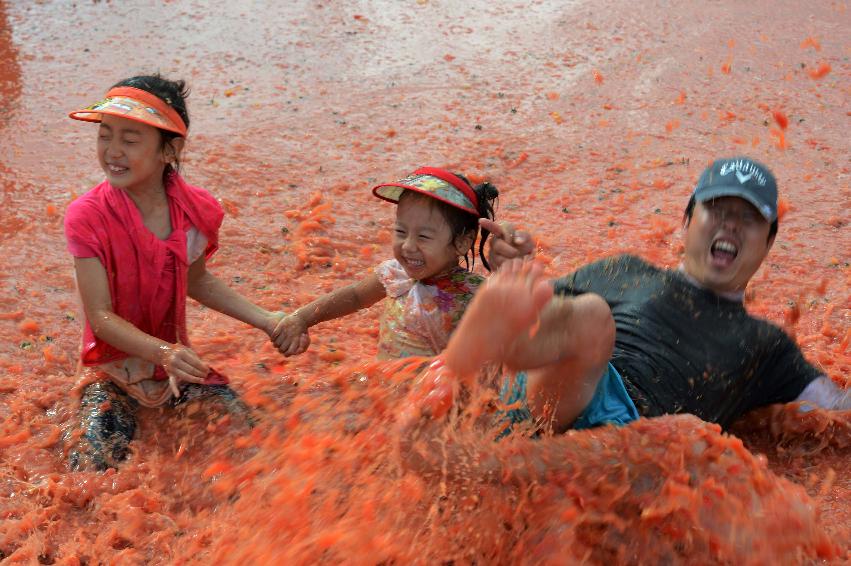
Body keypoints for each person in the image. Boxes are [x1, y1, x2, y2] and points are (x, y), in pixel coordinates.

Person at [469, 156, 849, 433]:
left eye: (748, 218)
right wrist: (512, 271)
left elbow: (838, 409)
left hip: (625, 428)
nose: (731, 224)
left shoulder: (767, 347)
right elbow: (544, 316)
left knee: (588, 320)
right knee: (579, 316)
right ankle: (465, 367)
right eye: (716, 209)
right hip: (547, 384)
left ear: (768, 244)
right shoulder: (623, 269)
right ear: (686, 221)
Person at [64, 75, 292, 470]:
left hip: (175, 370)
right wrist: (164, 351)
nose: (112, 151)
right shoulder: (87, 217)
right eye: (105, 135)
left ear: (170, 149)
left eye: (130, 140)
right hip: (113, 373)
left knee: (249, 442)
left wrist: (268, 320)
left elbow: (197, 281)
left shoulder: (194, 212)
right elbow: (100, 318)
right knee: (91, 469)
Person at [271, 167, 499, 360]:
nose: (408, 245)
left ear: (462, 242)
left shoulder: (475, 295)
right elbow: (355, 296)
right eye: (401, 231)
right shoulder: (395, 274)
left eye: (423, 237)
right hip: (389, 390)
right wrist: (303, 318)